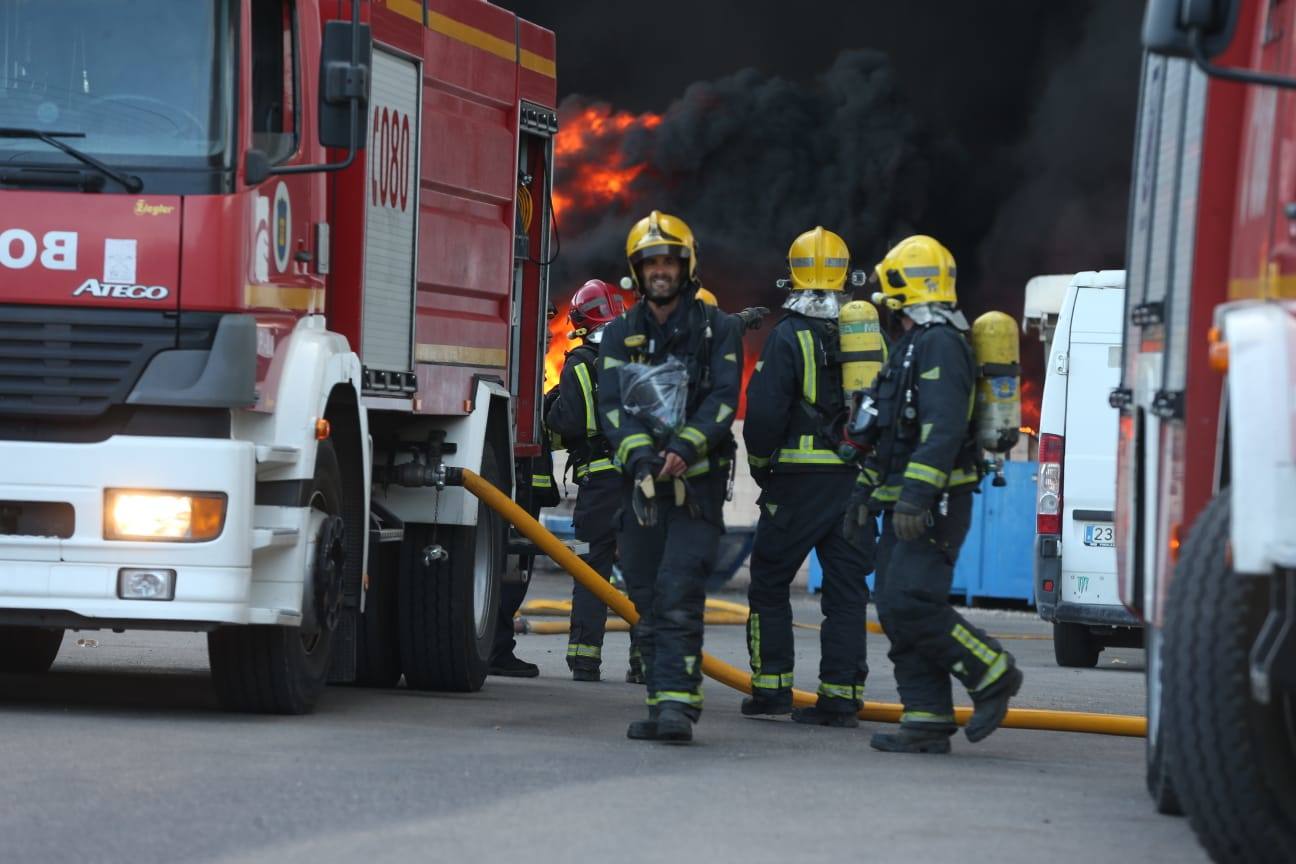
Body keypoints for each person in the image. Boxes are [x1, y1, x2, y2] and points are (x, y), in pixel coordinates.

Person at [848, 234, 1023, 754]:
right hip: (904, 500)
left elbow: (942, 430)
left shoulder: (942, 344)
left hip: (935, 503)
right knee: (895, 605)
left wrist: (916, 498)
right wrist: (863, 493)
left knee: (911, 601)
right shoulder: (910, 345)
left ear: (904, 285)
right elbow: (889, 430)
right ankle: (926, 716)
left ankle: (992, 671)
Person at [597, 210, 743, 743]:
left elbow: (725, 400)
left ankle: (681, 706)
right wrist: (640, 459)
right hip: (641, 492)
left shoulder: (718, 329)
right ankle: (661, 705)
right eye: (650, 262)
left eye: (669, 261)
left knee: (678, 591)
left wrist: (684, 448)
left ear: (686, 267)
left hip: (696, 491)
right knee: (645, 597)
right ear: (637, 270)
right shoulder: (619, 334)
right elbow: (611, 407)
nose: (660, 270)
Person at [741, 227, 874, 727]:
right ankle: (841, 698)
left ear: (792, 274)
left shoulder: (787, 336)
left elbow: (764, 414)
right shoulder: (864, 333)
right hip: (855, 484)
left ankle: (772, 690)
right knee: (846, 592)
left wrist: (760, 466)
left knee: (771, 583)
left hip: (796, 486)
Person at [545, 278, 643, 683]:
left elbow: (570, 423)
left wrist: (548, 411)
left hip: (600, 485)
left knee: (591, 571)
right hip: (639, 481)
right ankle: (645, 663)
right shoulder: (636, 359)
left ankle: (585, 660)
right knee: (642, 572)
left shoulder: (580, 362)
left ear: (582, 320)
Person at [488, 447, 558, 677]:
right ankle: (497, 649)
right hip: (524, 478)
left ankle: (495, 646)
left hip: (522, 475)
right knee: (512, 572)